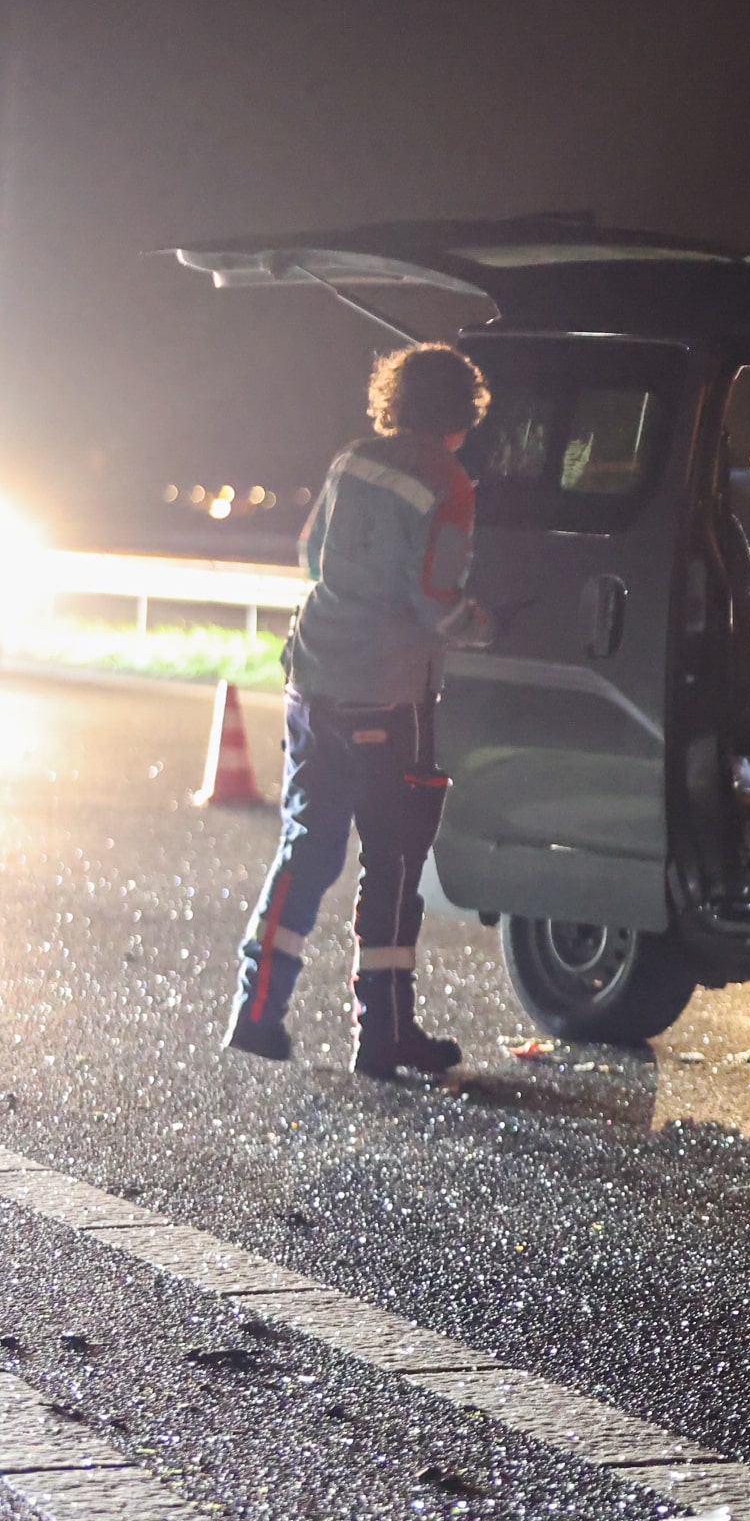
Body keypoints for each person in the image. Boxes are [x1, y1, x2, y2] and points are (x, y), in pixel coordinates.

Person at [223, 342, 494, 1079]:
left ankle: (256, 1010)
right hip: (387, 689)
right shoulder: (449, 480)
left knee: (308, 845)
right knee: (394, 861)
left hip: (312, 677)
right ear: (461, 413)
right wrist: (478, 621)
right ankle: (383, 1034)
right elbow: (434, 598)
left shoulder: (351, 461)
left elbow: (310, 558)